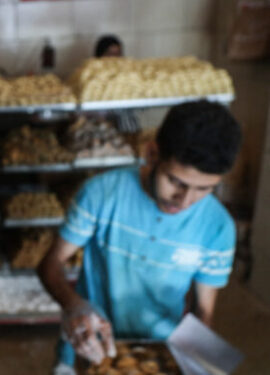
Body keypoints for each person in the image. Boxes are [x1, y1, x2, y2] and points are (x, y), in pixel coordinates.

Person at [37, 101, 242, 373]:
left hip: (159, 353)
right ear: (152, 153)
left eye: (204, 189)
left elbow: (203, 312)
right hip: (88, 346)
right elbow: (49, 265)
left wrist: (198, 365)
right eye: (176, 182)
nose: (185, 201)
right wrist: (74, 305)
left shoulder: (217, 227)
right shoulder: (101, 193)